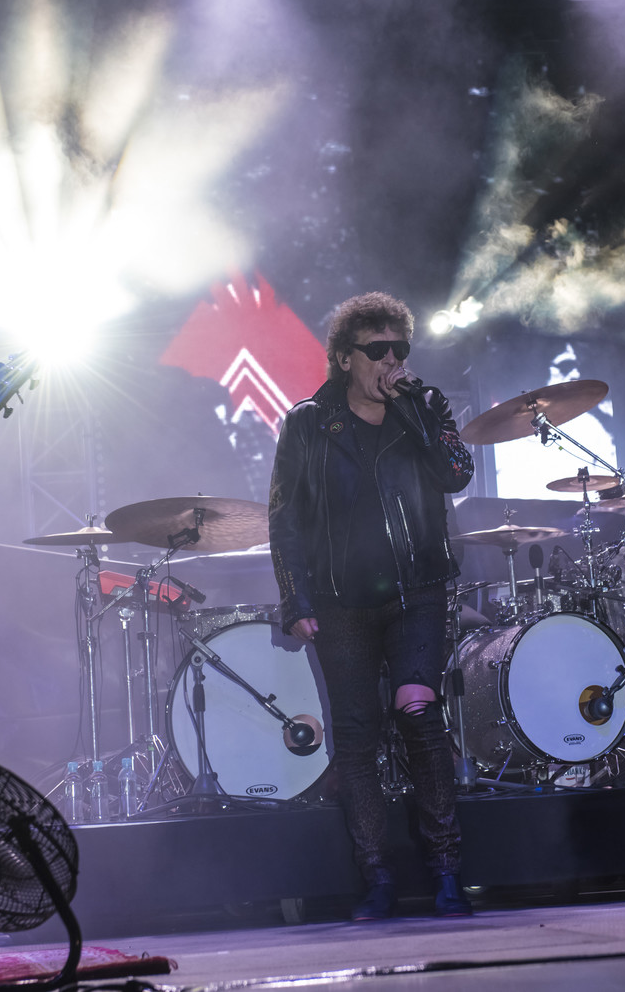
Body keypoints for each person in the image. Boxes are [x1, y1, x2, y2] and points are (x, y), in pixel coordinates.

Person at [268, 292, 475, 919]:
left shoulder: (425, 405)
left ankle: (447, 871)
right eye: (376, 350)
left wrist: (416, 410)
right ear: (344, 358)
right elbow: (286, 518)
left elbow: (456, 474)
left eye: (399, 349)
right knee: (357, 735)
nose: (390, 360)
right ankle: (378, 877)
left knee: (418, 710)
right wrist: (296, 597)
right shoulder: (308, 422)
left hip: (418, 589)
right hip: (341, 601)